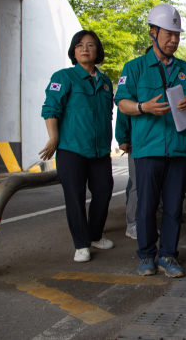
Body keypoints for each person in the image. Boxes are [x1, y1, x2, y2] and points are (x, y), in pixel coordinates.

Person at [115, 3, 186, 278]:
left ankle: (168, 255)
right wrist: (143, 108)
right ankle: (146, 255)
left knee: (174, 207)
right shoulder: (135, 67)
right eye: (168, 33)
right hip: (148, 148)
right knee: (147, 206)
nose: (174, 40)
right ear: (153, 32)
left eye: (177, 35)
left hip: (178, 148)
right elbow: (122, 102)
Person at [40, 30, 114, 263]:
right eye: (80, 45)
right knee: (75, 196)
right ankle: (81, 244)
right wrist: (53, 138)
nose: (85, 49)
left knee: (104, 191)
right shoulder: (63, 77)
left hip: (100, 150)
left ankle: (94, 235)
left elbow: (107, 114)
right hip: (71, 149)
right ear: (74, 51)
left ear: (97, 51)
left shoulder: (104, 82)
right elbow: (51, 108)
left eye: (90, 45)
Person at [115, 109, 138, 239]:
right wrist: (123, 138)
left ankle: (144, 224)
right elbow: (124, 109)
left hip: (155, 143)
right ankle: (132, 224)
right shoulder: (129, 88)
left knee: (149, 186)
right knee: (137, 184)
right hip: (137, 142)